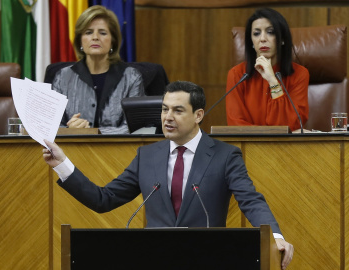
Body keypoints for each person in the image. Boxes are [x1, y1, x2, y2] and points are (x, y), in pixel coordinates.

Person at [43, 81, 294, 270]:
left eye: (177, 110)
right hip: (154, 260)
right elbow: (103, 199)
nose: (167, 117)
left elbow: (251, 200)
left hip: (209, 259)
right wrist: (62, 163)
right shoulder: (147, 156)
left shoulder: (225, 156)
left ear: (198, 115)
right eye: (164, 110)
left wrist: (275, 237)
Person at [49, 5, 144, 134]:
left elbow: (135, 126)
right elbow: (51, 125)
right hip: (73, 150)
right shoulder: (63, 77)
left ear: (113, 41)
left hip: (118, 151)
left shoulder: (131, 77)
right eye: (88, 32)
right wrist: (70, 130)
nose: (95, 37)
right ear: (80, 41)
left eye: (102, 33)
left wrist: (94, 132)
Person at [226, 8, 309, 132]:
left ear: (282, 39)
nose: (263, 39)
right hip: (248, 148)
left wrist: (272, 80)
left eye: (270, 32)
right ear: (252, 42)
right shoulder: (237, 74)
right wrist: (273, 133)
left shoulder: (299, 74)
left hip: (288, 149)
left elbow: (291, 124)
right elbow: (236, 126)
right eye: (256, 33)